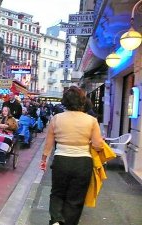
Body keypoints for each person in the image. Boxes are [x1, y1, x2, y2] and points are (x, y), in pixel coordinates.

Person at [40, 86, 104, 225]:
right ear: (82, 100)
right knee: (75, 198)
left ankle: (56, 219)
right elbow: (98, 145)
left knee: (57, 192)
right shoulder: (91, 120)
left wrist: (44, 160)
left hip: (61, 160)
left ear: (65, 101)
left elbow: (48, 144)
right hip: (82, 162)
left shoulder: (56, 119)